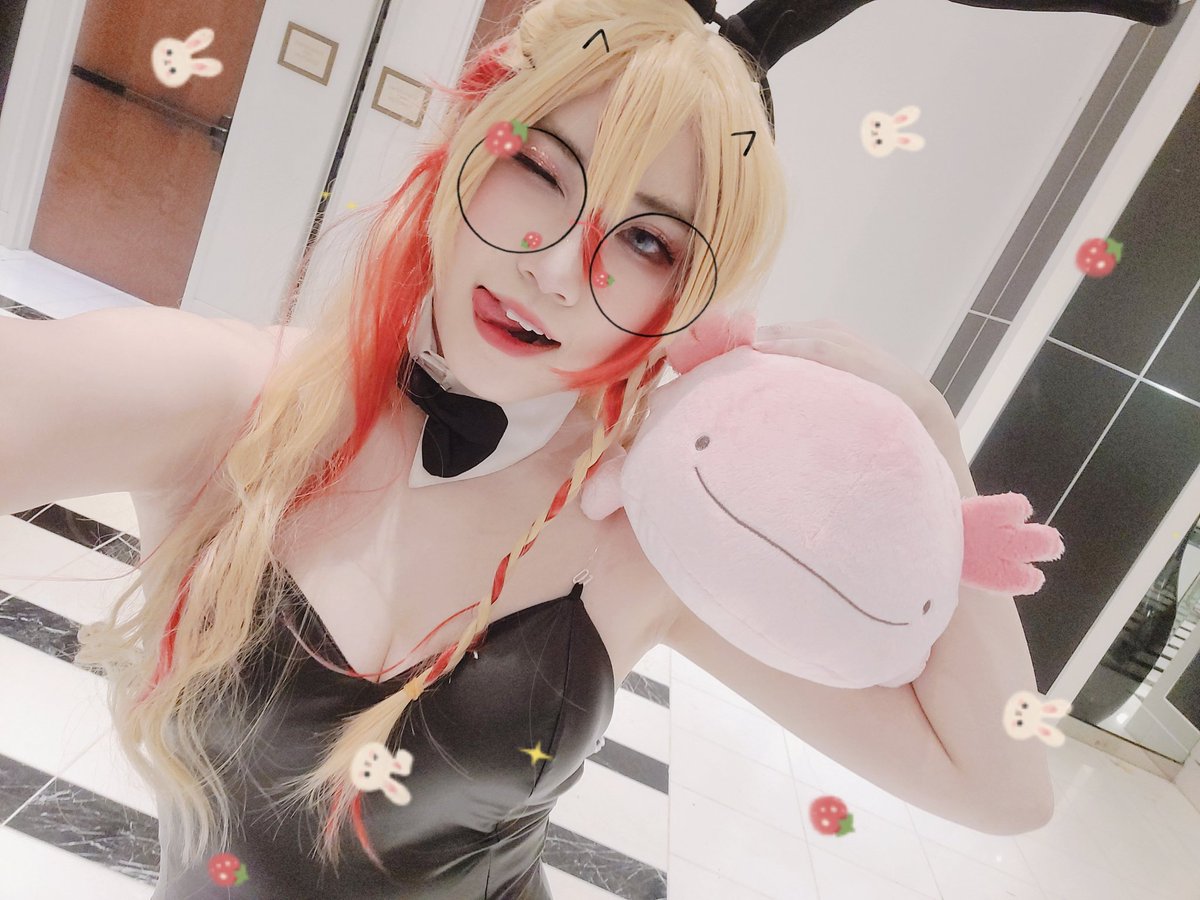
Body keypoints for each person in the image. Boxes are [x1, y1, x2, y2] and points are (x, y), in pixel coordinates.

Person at [1, 0, 1074, 897]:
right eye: (542, 170)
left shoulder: (647, 530)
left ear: (685, 295)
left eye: (647, 240)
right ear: (468, 145)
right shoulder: (234, 410)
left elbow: (1002, 786)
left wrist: (934, 440)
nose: (558, 269)